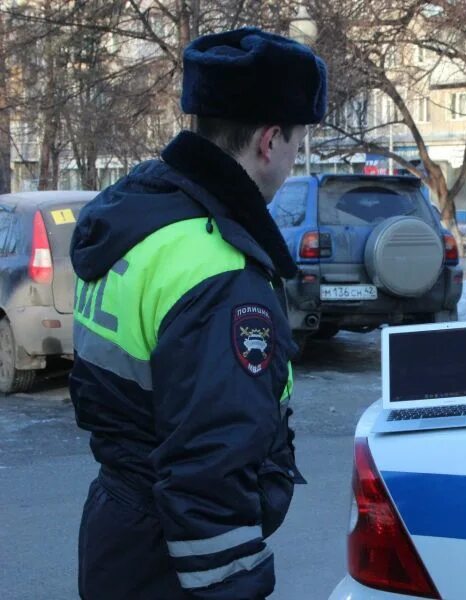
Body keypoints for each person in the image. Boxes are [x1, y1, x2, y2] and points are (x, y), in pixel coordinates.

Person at [70, 28, 326, 599]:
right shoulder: (220, 269)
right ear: (269, 140)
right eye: (296, 141)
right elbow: (211, 466)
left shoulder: (145, 220)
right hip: (174, 558)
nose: (293, 157)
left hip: (120, 529)